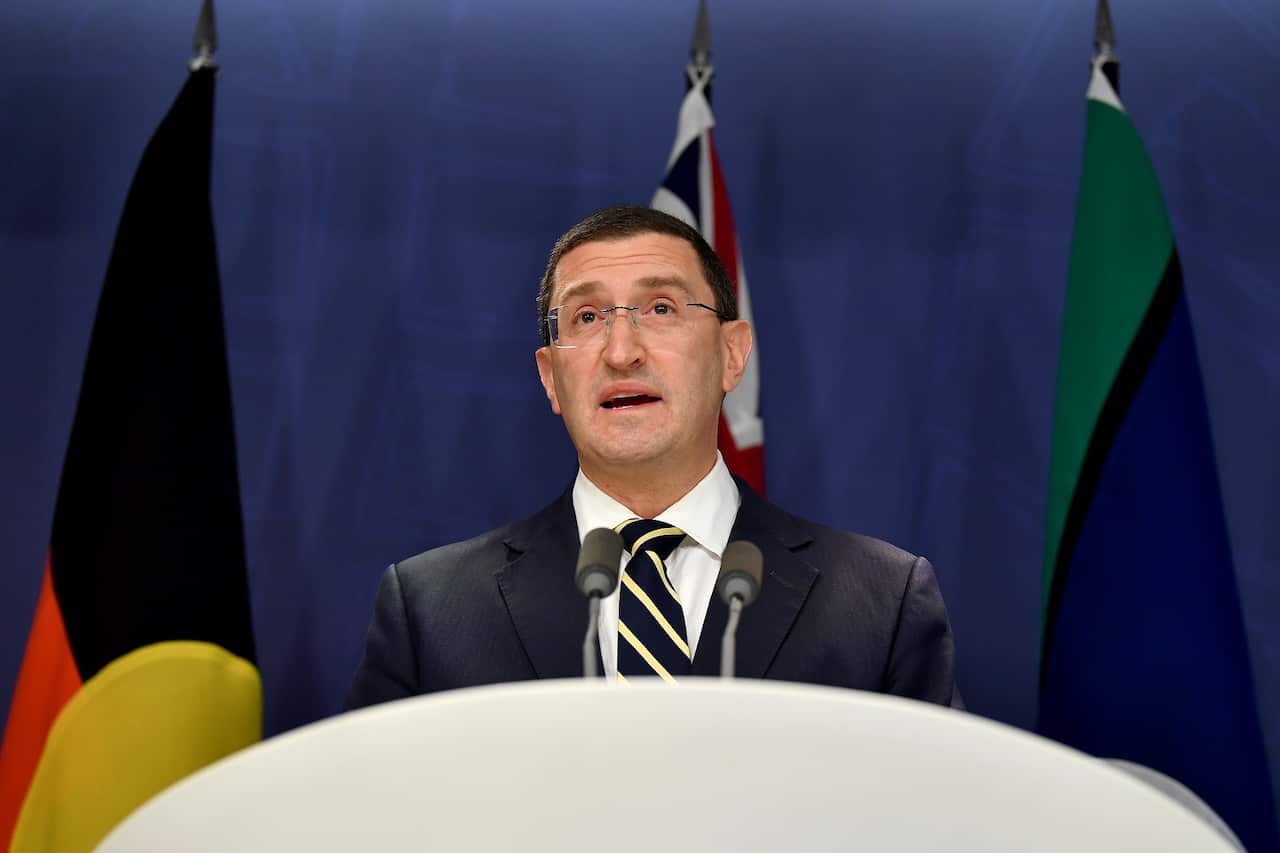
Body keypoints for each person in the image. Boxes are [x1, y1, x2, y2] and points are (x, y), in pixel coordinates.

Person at [345, 205, 960, 709]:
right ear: (551, 378)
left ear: (732, 355)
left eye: (661, 309)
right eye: (587, 317)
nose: (621, 351)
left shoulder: (880, 602)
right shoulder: (431, 609)